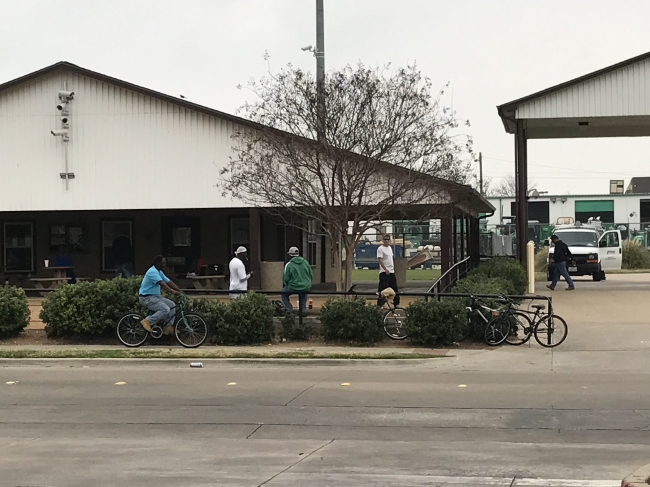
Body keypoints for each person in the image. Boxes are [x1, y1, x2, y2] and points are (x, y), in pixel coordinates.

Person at [139, 255, 182, 335]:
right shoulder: (152, 272)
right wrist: (172, 291)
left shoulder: (159, 272)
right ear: (158, 263)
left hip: (155, 297)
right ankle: (147, 321)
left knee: (172, 305)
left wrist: (179, 290)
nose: (165, 264)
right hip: (147, 297)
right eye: (163, 263)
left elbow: (168, 281)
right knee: (165, 309)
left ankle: (168, 327)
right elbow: (162, 284)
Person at [281, 246, 313, 315]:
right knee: (304, 294)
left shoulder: (289, 264)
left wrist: (288, 284)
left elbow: (285, 278)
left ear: (290, 255)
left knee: (284, 293)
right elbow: (311, 275)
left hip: (293, 286)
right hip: (305, 286)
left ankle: (289, 309)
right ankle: (303, 310)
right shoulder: (306, 263)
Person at [377, 234, 400, 307]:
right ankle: (381, 304)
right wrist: (385, 269)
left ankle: (396, 303)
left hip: (391, 271)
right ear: (383, 240)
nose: (387, 241)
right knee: (383, 289)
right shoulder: (380, 249)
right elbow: (380, 260)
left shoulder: (390, 248)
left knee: (395, 288)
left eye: (388, 239)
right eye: (385, 239)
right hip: (384, 272)